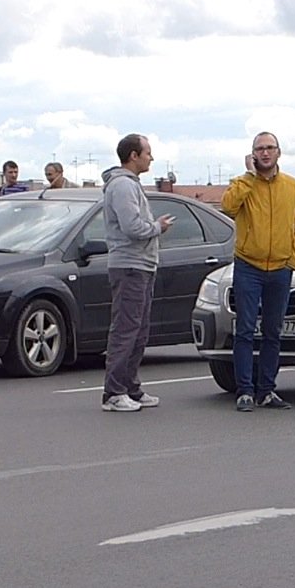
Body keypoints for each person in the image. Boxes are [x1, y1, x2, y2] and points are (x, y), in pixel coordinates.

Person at [221, 131, 295, 412]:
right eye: (260, 149)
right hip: (249, 266)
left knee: (273, 331)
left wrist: (293, 260)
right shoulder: (242, 184)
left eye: (270, 148)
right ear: (252, 154)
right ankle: (245, 390)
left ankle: (267, 390)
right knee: (245, 330)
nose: (265, 153)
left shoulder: (293, 187)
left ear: (279, 153)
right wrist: (248, 177)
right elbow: (228, 207)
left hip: (281, 268)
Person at [99, 133, 174, 412]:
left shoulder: (131, 185)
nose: (151, 158)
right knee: (126, 329)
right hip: (129, 266)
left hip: (141, 265)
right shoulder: (122, 186)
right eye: (147, 153)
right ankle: (114, 392)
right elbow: (132, 227)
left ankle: (130, 387)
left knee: (139, 330)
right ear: (134, 155)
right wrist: (157, 227)